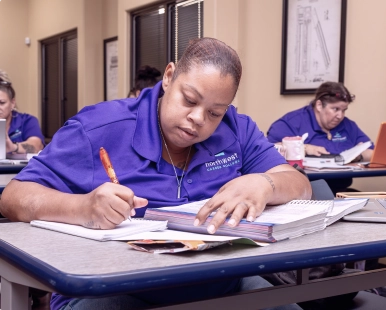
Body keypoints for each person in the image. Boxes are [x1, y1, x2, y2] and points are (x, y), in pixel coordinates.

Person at [0, 38, 311, 310]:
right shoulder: (98, 127)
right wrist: (82, 208)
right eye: (189, 100)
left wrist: (266, 182)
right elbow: (13, 197)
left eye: (215, 112)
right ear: (169, 77)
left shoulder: (237, 129)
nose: (197, 119)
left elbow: (300, 185)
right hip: (116, 288)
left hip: (221, 284)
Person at [267, 81, 374, 193]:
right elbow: (270, 150)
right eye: (335, 109)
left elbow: (373, 153)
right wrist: (304, 148)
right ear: (319, 105)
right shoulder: (291, 122)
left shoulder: (348, 125)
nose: (340, 116)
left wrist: (358, 156)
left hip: (340, 191)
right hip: (304, 192)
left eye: (344, 110)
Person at [0, 70, 45, 154]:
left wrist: (13, 147)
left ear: (12, 103)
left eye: (2, 103)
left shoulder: (27, 120)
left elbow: (37, 146)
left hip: (20, 167)